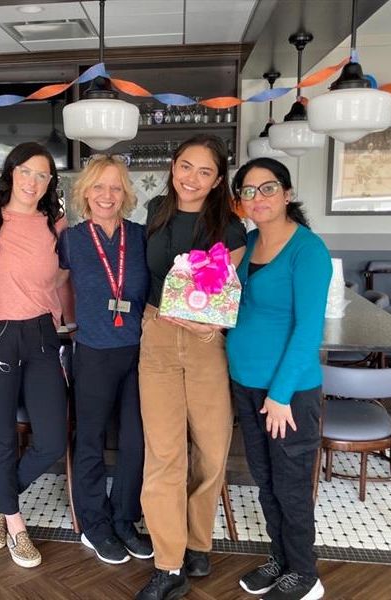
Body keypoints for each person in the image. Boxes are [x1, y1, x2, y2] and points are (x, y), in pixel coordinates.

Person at [136, 135, 247, 600]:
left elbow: (222, 295)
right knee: (164, 455)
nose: (192, 178)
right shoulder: (155, 210)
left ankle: (199, 542)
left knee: (211, 449)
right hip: (157, 335)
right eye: (186, 166)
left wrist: (210, 327)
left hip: (205, 342)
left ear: (218, 179)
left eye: (205, 172)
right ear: (173, 165)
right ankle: (169, 564)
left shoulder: (231, 227)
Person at [227, 158, 331, 600]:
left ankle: (305, 574)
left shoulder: (308, 250)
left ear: (287, 194)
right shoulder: (247, 245)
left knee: (289, 484)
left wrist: (282, 394)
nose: (257, 198)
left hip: (286, 394)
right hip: (245, 385)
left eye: (266, 188)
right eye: (248, 192)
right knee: (264, 479)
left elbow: (308, 329)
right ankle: (280, 559)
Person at [0, 142, 69, 569]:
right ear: (11, 172)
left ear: (50, 182)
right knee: (4, 436)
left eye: (42, 175)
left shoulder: (58, 224)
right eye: (26, 171)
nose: (32, 181)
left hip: (44, 335)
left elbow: (66, 276)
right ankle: (15, 524)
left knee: (50, 440)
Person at [56, 155, 152, 565]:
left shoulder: (144, 235)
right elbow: (54, 287)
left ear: (126, 193)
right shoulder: (71, 238)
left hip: (139, 352)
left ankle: (125, 517)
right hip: (93, 352)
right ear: (84, 193)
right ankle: (94, 523)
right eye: (98, 186)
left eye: (115, 187)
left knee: (135, 439)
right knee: (90, 439)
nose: (106, 195)